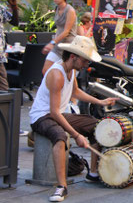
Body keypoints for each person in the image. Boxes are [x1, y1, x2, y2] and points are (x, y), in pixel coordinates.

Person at [29, 36, 117, 202]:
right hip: (41, 115)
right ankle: (62, 186)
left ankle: (93, 172)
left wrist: (100, 101)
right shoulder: (57, 74)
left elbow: (75, 92)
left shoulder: (72, 69)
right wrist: (76, 135)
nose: (87, 65)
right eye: (85, 60)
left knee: (96, 125)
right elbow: (54, 113)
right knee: (60, 136)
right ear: (73, 56)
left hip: (58, 114)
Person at [42, 0, 77, 75]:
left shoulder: (70, 10)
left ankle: (63, 88)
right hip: (58, 44)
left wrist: (52, 43)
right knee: (46, 70)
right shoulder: (57, 9)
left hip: (68, 45)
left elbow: (66, 31)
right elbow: (59, 29)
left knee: (67, 73)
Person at [0, 0, 19, 91]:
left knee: (3, 83)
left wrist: (14, 7)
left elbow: (15, 22)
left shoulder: (1, 9)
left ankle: (5, 103)